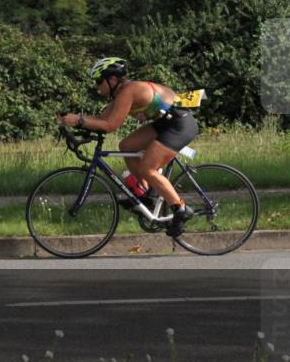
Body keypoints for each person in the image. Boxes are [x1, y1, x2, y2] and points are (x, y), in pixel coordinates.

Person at [58, 57, 198, 237]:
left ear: (112, 79)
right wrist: (74, 121)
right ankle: (146, 196)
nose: (97, 86)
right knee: (127, 145)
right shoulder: (120, 93)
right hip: (165, 123)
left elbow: (110, 125)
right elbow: (100, 119)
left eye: (99, 81)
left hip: (179, 124)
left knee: (148, 169)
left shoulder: (128, 91)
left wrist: (78, 120)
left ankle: (181, 209)